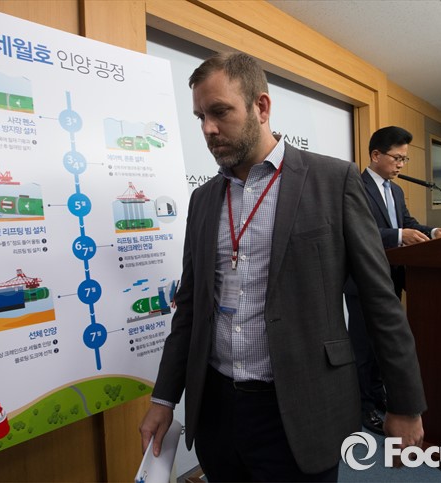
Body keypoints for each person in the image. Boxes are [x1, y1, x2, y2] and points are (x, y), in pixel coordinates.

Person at [139, 53, 426, 482]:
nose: (208, 129)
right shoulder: (203, 200)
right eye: (200, 116)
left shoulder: (333, 181)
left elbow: (379, 299)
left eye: (220, 112)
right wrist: (164, 399)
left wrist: (405, 403)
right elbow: (190, 308)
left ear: (261, 107)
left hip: (301, 408)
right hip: (217, 411)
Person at [345, 125, 441, 436]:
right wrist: (398, 236)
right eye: (397, 158)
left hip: (392, 278)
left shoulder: (395, 190)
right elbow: (356, 232)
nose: (401, 164)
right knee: (364, 348)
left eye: (404, 159)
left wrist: (434, 232)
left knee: (384, 345)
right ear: (376, 155)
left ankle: (378, 395)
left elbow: (406, 223)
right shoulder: (354, 186)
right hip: (362, 282)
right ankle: (364, 407)